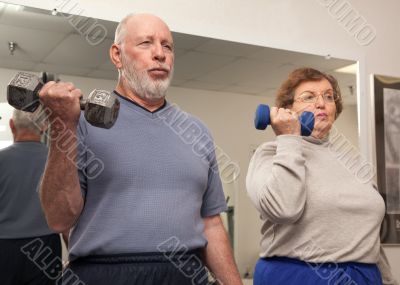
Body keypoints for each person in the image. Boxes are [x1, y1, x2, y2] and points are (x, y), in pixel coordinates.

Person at [38, 13, 242, 285]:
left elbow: (212, 224)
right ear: (117, 55)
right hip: (102, 273)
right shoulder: (81, 123)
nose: (160, 53)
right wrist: (63, 124)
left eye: (167, 46)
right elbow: (59, 219)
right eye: (146, 43)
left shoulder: (197, 132)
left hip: (184, 273)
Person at [246, 67, 398, 285]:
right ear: (287, 109)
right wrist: (289, 138)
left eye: (328, 96)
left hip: (365, 276)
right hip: (298, 276)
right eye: (309, 97)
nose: (321, 103)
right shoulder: (270, 153)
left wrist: (388, 280)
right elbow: (283, 209)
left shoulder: (353, 162)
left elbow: (367, 235)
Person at [0, 108, 62, 285]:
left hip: (4, 246)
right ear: (44, 127)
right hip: (45, 247)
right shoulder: (58, 162)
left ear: (12, 125)